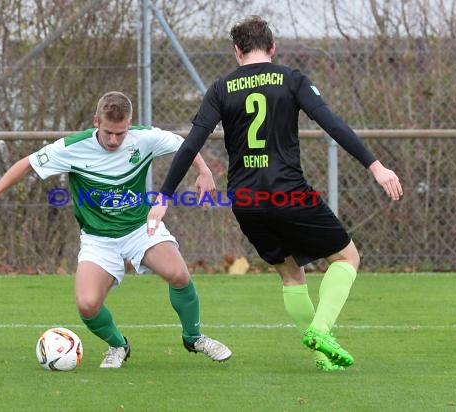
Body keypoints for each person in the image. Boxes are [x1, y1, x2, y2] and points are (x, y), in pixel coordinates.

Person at [146, 16, 403, 371]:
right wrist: (376, 166)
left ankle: (320, 355)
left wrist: (163, 198)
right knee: (347, 259)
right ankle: (321, 329)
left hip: (246, 201)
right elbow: (333, 124)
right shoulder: (291, 79)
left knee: (290, 274)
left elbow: (191, 144)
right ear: (273, 47)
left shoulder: (221, 87)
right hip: (288, 193)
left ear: (237, 50)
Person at [0, 91, 232, 368]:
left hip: (139, 229)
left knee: (178, 273)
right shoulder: (73, 147)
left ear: (129, 125)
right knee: (87, 305)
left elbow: (186, 144)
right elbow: (27, 164)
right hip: (98, 239)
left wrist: (203, 170)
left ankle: (194, 337)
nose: (113, 140)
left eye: (120, 133)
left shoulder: (144, 139)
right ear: (96, 121)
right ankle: (118, 345)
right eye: (108, 132)